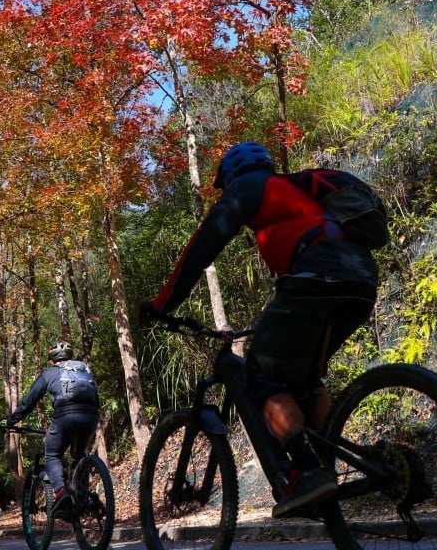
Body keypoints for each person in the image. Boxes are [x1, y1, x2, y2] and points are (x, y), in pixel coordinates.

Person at [141, 141, 379, 518]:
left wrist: (160, 305)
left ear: (232, 175)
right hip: (360, 282)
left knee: (260, 377)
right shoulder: (294, 192)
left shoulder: (250, 188)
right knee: (305, 381)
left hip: (315, 280)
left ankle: (306, 472)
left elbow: (201, 248)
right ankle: (327, 465)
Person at [3, 341, 99, 515]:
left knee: (53, 453)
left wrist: (12, 421)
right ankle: (83, 499)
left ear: (51, 360)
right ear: (69, 356)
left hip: (66, 417)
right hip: (91, 415)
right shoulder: (83, 370)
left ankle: (61, 492)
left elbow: (29, 401)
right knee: (79, 456)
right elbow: (95, 395)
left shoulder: (49, 373)